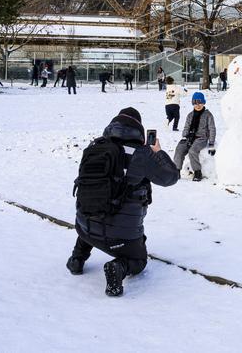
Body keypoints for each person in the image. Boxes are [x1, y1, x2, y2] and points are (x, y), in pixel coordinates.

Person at [66, 107, 179, 297]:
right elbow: (171, 177)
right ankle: (119, 267)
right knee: (139, 260)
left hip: (84, 226)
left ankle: (77, 259)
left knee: (95, 214)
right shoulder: (142, 153)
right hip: (120, 237)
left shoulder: (95, 146)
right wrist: (157, 152)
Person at [173, 93, 217, 181]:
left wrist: (211, 143)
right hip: (190, 137)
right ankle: (176, 171)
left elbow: (212, 129)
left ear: (203, 103)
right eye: (195, 103)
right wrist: (185, 135)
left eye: (199, 102)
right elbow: (186, 127)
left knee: (192, 151)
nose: (197, 105)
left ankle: (197, 172)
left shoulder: (208, 115)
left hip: (201, 138)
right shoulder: (190, 115)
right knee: (179, 149)